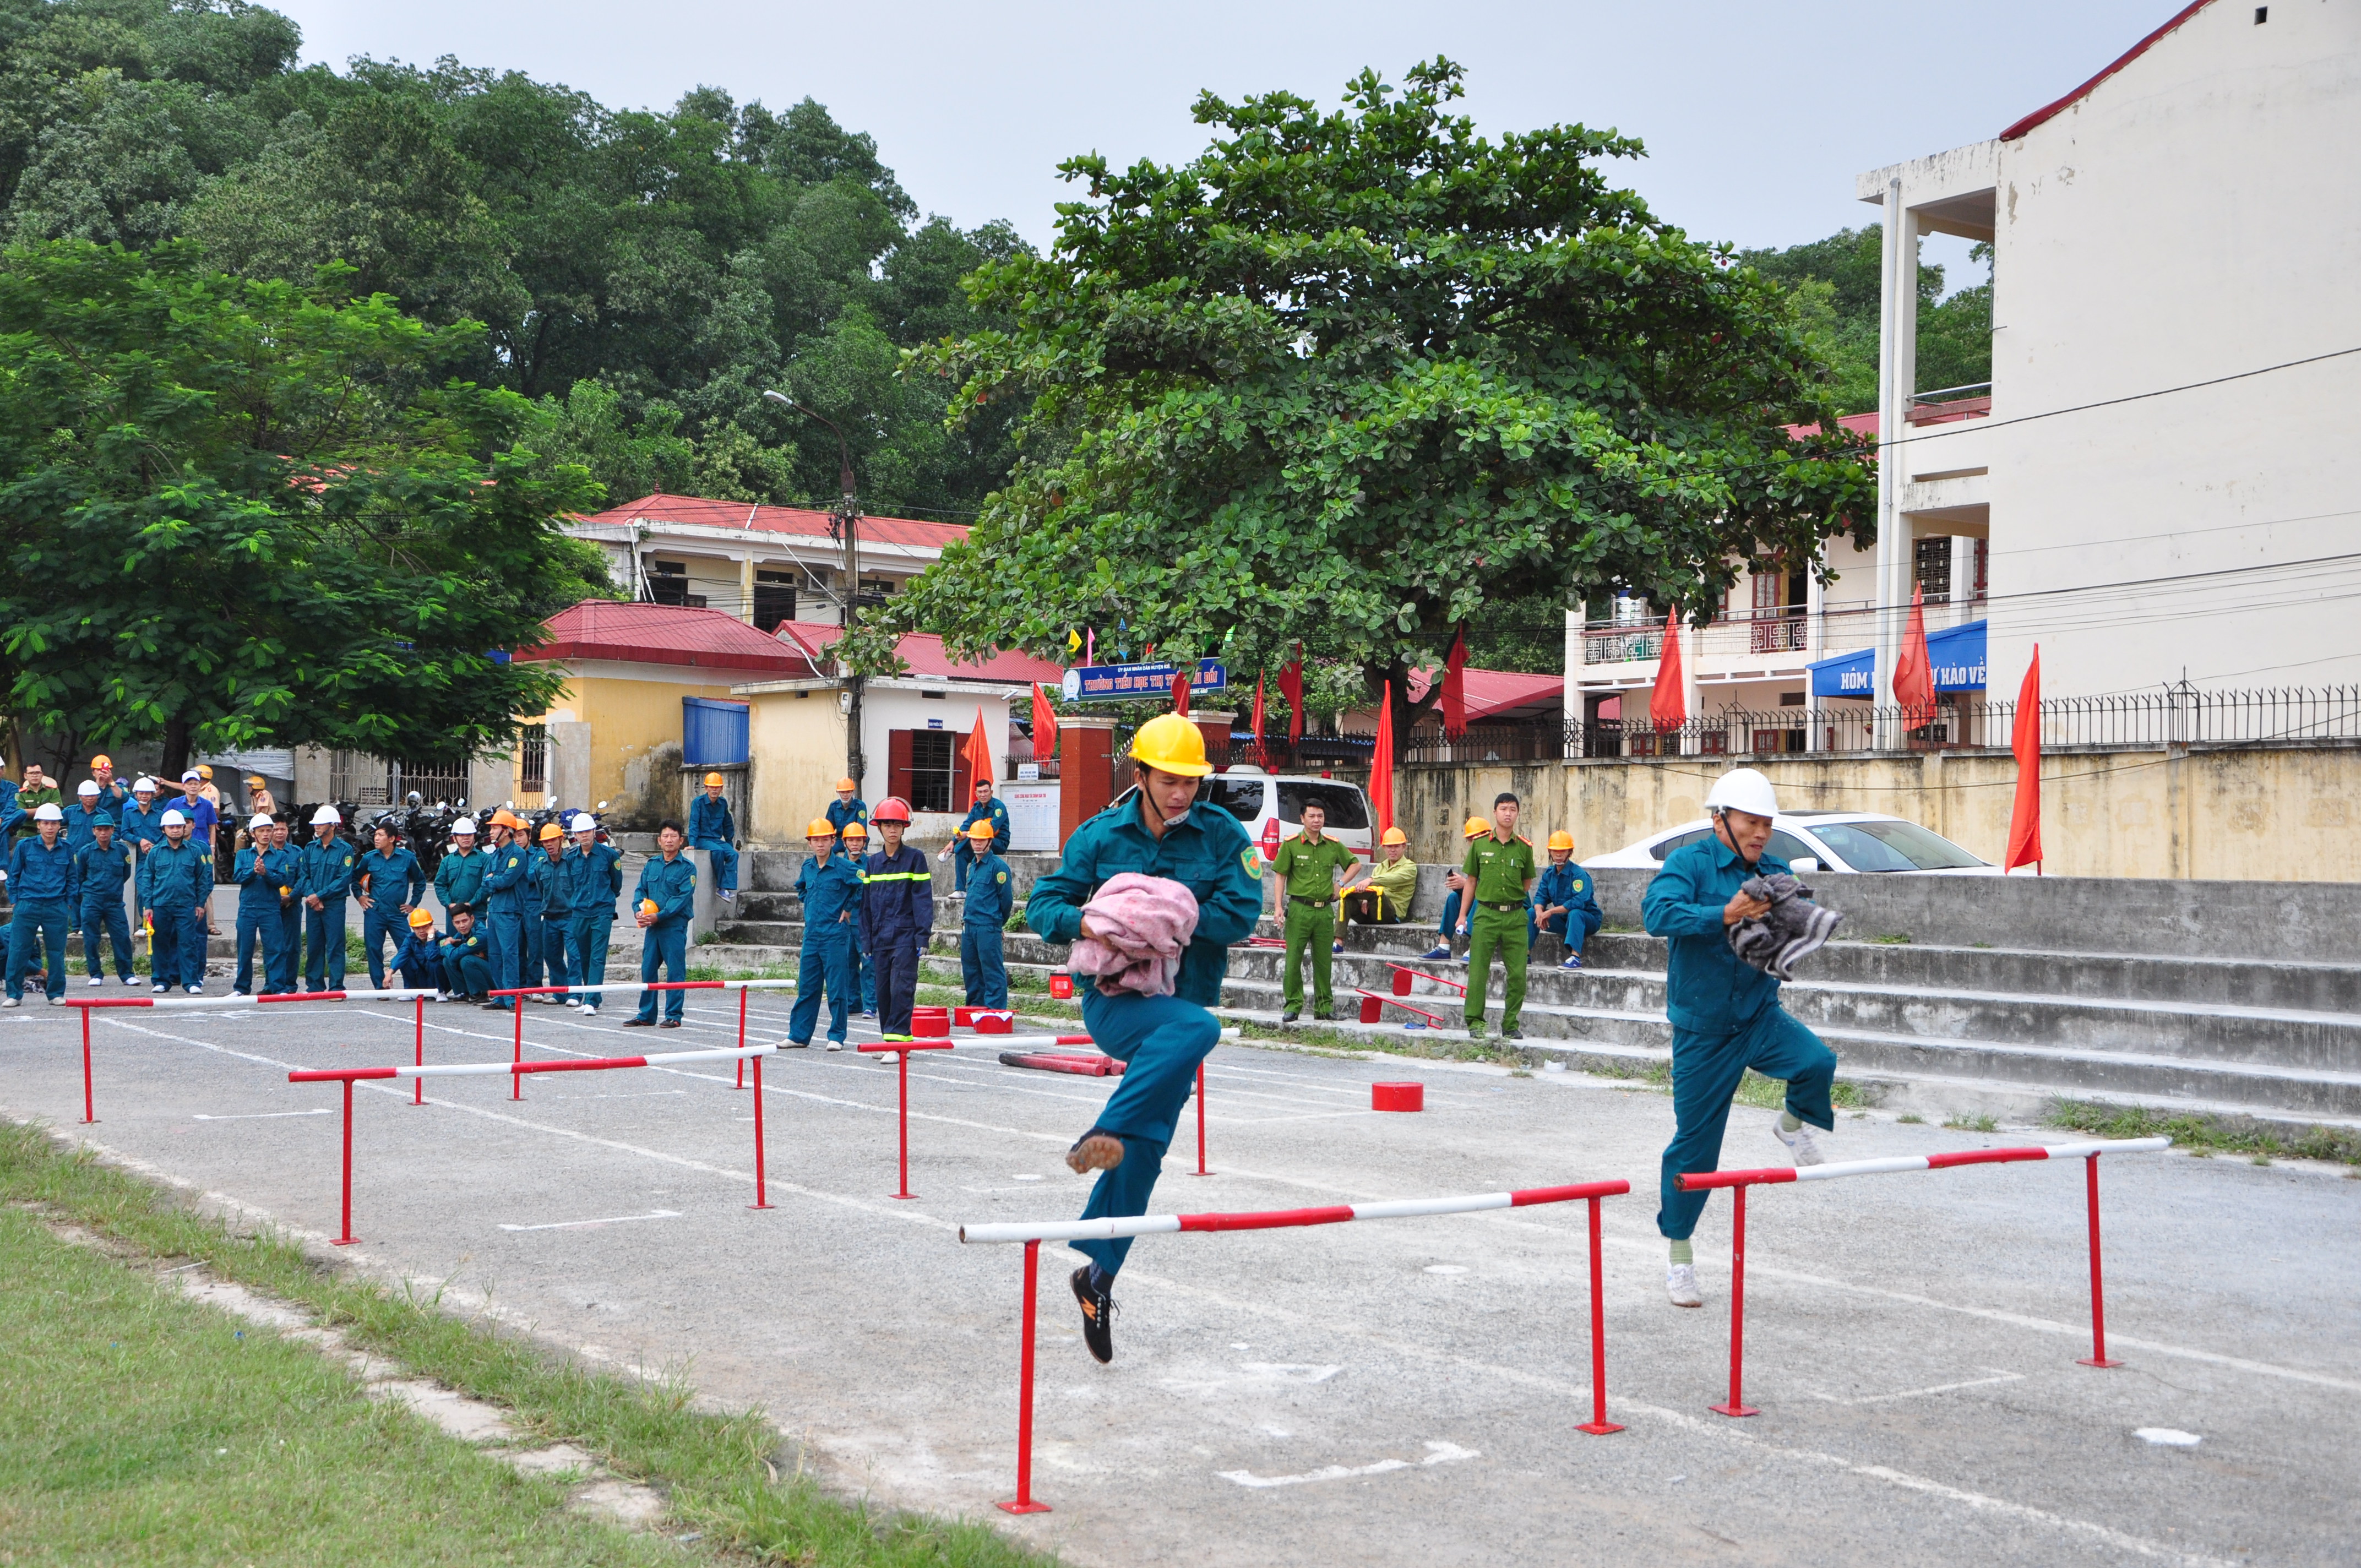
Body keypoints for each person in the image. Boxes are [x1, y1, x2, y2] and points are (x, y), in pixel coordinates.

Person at [1026, 713, 1262, 1364]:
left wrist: (1165, 917)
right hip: (1117, 1003)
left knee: (1144, 1150)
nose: (1182, 792)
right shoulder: (1099, 835)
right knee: (1202, 1028)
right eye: (1169, 780)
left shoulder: (1223, 835)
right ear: (1141, 776)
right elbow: (1043, 905)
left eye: (1191, 781)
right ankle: (1099, 1131)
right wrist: (1096, 923)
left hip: (1178, 1006)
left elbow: (1241, 912)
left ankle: (1096, 1277)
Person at [1644, 767, 1838, 1309]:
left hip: (1758, 1016)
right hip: (1702, 1031)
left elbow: (1793, 911)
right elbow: (1656, 914)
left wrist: (1799, 916)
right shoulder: (1688, 864)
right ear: (1720, 821)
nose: (1761, 834)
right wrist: (1723, 913)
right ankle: (1679, 1258)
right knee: (1695, 1150)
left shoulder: (1772, 870)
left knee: (1817, 1063)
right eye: (1751, 823)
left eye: (1767, 825)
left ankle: (1792, 1124)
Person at [1270, 801, 1356, 1023]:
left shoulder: (1332, 845)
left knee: (1324, 962)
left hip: (1324, 911)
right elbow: (1280, 876)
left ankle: (1324, 1008)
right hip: (1300, 909)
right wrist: (1278, 906)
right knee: (1293, 960)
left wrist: (1340, 884)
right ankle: (1293, 1006)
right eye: (1312, 816)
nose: (1317, 820)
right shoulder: (1291, 844)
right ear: (1302, 819)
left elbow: (1355, 864)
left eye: (1320, 816)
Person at [1460, 793, 1537, 1041]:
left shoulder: (1524, 847)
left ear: (1517, 814)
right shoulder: (1480, 845)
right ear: (1495, 812)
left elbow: (1526, 882)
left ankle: (1510, 1023)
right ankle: (1475, 1022)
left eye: (1512, 809)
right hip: (1486, 915)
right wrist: (1462, 916)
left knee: (1518, 974)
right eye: (1503, 809)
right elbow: (1471, 881)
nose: (1508, 813)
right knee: (1478, 971)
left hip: (1515, 918)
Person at [786, 818, 862, 1049]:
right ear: (810, 843)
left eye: (825, 840)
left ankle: (836, 1036)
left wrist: (849, 907)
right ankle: (799, 1036)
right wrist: (809, 904)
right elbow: (801, 888)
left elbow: (865, 883)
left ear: (833, 841)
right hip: (812, 936)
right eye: (816, 840)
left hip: (835, 936)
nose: (820, 844)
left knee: (837, 989)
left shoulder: (844, 867)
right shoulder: (808, 868)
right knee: (807, 988)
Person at [859, 797, 932, 1039]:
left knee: (901, 989)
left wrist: (922, 937)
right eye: (888, 825)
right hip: (880, 939)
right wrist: (866, 941)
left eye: (897, 825)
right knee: (883, 994)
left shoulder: (915, 859)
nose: (893, 830)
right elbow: (866, 906)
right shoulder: (873, 864)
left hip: (905, 939)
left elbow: (923, 901)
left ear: (904, 828)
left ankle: (897, 1042)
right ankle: (890, 1041)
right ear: (879, 828)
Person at [622, 820, 697, 1028]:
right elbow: (640, 890)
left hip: (673, 926)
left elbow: (681, 899)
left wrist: (660, 916)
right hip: (653, 927)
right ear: (659, 841)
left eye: (673, 836)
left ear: (681, 841)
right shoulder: (652, 864)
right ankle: (646, 1015)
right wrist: (638, 910)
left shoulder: (688, 869)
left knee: (675, 971)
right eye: (665, 836)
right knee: (648, 969)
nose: (669, 840)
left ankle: (674, 1015)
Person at [4, 803, 77, 1008]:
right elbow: (14, 876)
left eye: (54, 823)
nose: (50, 827)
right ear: (38, 825)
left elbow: (72, 878)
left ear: (59, 825)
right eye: (45, 823)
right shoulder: (25, 846)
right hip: (28, 904)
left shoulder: (67, 849)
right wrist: (15, 901)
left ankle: (56, 993)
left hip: (56, 906)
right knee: (18, 949)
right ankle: (14, 994)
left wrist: (68, 903)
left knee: (56, 952)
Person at [137, 808, 213, 994]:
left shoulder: (195, 852)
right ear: (163, 830)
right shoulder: (156, 852)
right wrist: (148, 906)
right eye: (171, 827)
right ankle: (161, 981)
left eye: (179, 827)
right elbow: (148, 880)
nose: (176, 830)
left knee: (188, 943)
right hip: (160, 905)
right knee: (160, 943)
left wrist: (200, 904)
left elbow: (202, 880)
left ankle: (191, 982)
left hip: (186, 906)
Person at [564, 813, 624, 1016]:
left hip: (602, 912)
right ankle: (593, 997)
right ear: (575, 835)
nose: (584, 836)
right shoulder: (571, 858)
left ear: (594, 832)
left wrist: (604, 899)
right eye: (580, 832)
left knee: (597, 956)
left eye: (587, 831)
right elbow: (571, 885)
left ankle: (591, 1000)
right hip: (580, 912)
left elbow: (616, 884)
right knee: (584, 956)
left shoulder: (609, 855)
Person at [355, 819, 426, 989]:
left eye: (381, 835)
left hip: (397, 913)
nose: (376, 838)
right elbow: (354, 878)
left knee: (407, 948)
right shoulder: (369, 858)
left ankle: (412, 987)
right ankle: (381, 988)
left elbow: (420, 881)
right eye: (376, 835)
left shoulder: (407, 858)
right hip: (375, 912)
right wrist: (360, 897)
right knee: (374, 950)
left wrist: (413, 904)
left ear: (392, 839)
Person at [74, 815, 137, 988]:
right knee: (91, 938)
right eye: (100, 829)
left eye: (107, 829)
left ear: (112, 830)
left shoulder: (122, 850)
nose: (103, 833)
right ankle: (95, 974)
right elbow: (79, 876)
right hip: (92, 901)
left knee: (122, 937)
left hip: (114, 902)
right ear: (94, 831)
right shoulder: (85, 852)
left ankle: (127, 974)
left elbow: (126, 874)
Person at [1419, 816, 1494, 959]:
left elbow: (1492, 889)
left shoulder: (1494, 854)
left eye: (1477, 838)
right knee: (1454, 898)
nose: (1474, 842)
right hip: (1482, 897)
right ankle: (1443, 947)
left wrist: (1465, 884)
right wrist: (1460, 886)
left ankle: (1475, 948)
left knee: (1481, 900)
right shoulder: (1475, 856)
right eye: (1470, 839)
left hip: (1501, 903)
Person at [298, 807, 355, 992]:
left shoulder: (345, 850)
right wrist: (312, 897)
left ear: (332, 826)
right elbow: (304, 875)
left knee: (335, 946)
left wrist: (319, 896)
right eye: (315, 824)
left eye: (321, 824)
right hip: (313, 905)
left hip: (334, 905)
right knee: (314, 946)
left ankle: (336, 987)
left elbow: (343, 879)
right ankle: (314, 986)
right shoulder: (310, 848)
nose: (317, 827)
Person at [959, 818, 1013, 1009]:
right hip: (969, 926)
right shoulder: (973, 865)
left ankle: (995, 1011)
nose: (978, 843)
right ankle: (975, 1009)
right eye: (975, 839)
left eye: (982, 840)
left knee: (992, 970)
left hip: (988, 926)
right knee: (971, 971)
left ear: (990, 841)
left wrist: (997, 924)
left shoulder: (998, 867)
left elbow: (1006, 900)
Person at [1530, 831, 1603, 971]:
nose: (1558, 855)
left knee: (1575, 913)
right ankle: (1525, 955)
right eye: (1555, 851)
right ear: (1550, 852)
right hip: (1563, 921)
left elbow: (1579, 902)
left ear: (1570, 852)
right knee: (1531, 913)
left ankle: (1575, 958)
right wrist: (1540, 912)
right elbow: (1540, 897)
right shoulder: (1549, 874)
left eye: (1563, 851)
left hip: (1587, 920)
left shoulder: (1578, 874)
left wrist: (1550, 912)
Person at [230, 815, 286, 997]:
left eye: (269, 830)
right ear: (253, 833)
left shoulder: (280, 856)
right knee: (245, 949)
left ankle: (278, 987)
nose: (266, 834)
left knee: (274, 949)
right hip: (247, 908)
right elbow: (237, 877)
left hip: (270, 908)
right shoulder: (243, 855)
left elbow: (282, 880)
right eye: (261, 831)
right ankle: (241, 988)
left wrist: (265, 873)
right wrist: (253, 872)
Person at [481, 810, 531, 1011]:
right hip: (494, 910)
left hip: (509, 910)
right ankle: (500, 996)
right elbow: (486, 882)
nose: (491, 832)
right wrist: (494, 880)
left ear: (506, 831)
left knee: (509, 954)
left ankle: (512, 997)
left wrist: (493, 879)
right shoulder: (495, 855)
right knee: (495, 955)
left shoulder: (518, 854)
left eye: (495, 828)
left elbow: (507, 880)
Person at [1340, 826, 1418, 933]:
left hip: (1391, 915)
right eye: (1389, 847)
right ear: (1384, 848)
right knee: (1346, 899)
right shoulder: (1380, 867)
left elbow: (1393, 878)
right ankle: (1338, 940)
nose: (1393, 850)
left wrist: (1371, 880)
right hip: (1372, 912)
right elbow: (1371, 889)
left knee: (1377, 890)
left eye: (1397, 846)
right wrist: (1365, 900)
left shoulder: (1410, 867)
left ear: (1404, 847)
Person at [840, 819, 878, 1016]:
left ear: (865, 842)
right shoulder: (839, 864)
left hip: (864, 923)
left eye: (859, 840)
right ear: (844, 842)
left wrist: (848, 907)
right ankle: (853, 1002)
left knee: (869, 965)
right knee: (848, 964)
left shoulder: (870, 864)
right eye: (851, 840)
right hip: (844, 924)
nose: (855, 844)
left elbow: (865, 890)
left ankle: (870, 1004)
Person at [946, 777, 1011, 889]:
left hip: (997, 843)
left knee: (971, 838)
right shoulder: (976, 807)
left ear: (991, 792)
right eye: (980, 792)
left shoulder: (999, 807)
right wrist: (953, 841)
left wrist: (968, 834)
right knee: (961, 854)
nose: (983, 795)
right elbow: (966, 825)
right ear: (976, 794)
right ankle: (960, 890)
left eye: (986, 791)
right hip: (980, 845)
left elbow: (991, 829)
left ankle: (953, 850)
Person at [530, 823, 572, 999]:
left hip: (570, 917)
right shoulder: (540, 867)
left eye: (553, 840)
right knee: (552, 957)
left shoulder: (571, 862)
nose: (549, 844)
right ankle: (559, 993)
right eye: (546, 841)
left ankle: (574, 993)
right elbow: (541, 891)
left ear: (561, 840)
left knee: (575, 957)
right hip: (549, 918)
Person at [687, 772, 739, 903]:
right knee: (718, 852)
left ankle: (727, 887)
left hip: (716, 840)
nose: (714, 790)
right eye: (711, 787)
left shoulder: (723, 803)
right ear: (706, 788)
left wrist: (729, 843)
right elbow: (694, 823)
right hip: (702, 840)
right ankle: (721, 888)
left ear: (722, 789)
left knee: (733, 854)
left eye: (717, 787)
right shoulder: (698, 803)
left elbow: (728, 824)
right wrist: (692, 843)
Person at [266, 818, 302, 994]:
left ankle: (289, 985)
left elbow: (304, 878)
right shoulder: (263, 852)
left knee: (291, 946)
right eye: (276, 829)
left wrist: (291, 897)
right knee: (271, 946)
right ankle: (270, 984)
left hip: (291, 906)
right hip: (269, 906)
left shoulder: (297, 853)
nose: (280, 833)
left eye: (283, 829)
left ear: (288, 831)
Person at [433, 817, 486, 931]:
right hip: (454, 914)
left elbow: (486, 886)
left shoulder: (485, 859)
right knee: (454, 941)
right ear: (455, 838)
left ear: (474, 836)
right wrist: (449, 904)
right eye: (461, 835)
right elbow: (440, 885)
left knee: (478, 941)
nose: (466, 838)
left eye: (469, 835)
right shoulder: (447, 861)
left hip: (477, 913)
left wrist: (471, 903)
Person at [438, 906, 492, 1001]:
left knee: (467, 960)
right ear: (453, 923)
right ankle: (464, 993)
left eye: (464, 921)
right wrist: (448, 946)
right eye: (457, 923)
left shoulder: (481, 934)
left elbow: (453, 954)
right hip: (482, 971)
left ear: (472, 919)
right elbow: (442, 948)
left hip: (494, 975)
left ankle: (482, 993)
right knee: (447, 960)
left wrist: (448, 945)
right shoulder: (463, 933)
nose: (462, 925)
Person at [391, 907, 445, 995]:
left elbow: (432, 956)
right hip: (422, 979)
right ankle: (411, 991)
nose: (422, 931)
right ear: (412, 928)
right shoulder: (410, 939)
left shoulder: (442, 939)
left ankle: (441, 992)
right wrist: (390, 972)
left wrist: (431, 937)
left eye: (425, 927)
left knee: (434, 963)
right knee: (405, 960)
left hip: (439, 982)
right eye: (417, 928)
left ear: (431, 925)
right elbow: (401, 955)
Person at [173, 770, 218, 854]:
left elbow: (212, 827)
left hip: (202, 848)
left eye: (196, 784)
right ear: (184, 786)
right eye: (190, 784)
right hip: (179, 848)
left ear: (200, 786)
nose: (193, 787)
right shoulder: (174, 803)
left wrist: (212, 847)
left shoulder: (207, 805)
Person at [825, 777, 868, 850]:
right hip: (839, 840)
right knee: (828, 851)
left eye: (848, 792)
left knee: (853, 853)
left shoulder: (860, 806)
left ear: (853, 792)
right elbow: (828, 828)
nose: (845, 795)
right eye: (842, 792)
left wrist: (851, 842)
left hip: (855, 839)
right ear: (838, 793)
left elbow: (862, 828)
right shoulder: (833, 806)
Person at [63, 780, 104, 853]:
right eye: (87, 796)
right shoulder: (70, 811)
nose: (90, 798)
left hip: (95, 853)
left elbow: (114, 831)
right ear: (80, 796)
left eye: (93, 795)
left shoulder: (103, 815)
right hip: (72, 853)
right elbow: (55, 824)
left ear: (98, 796)